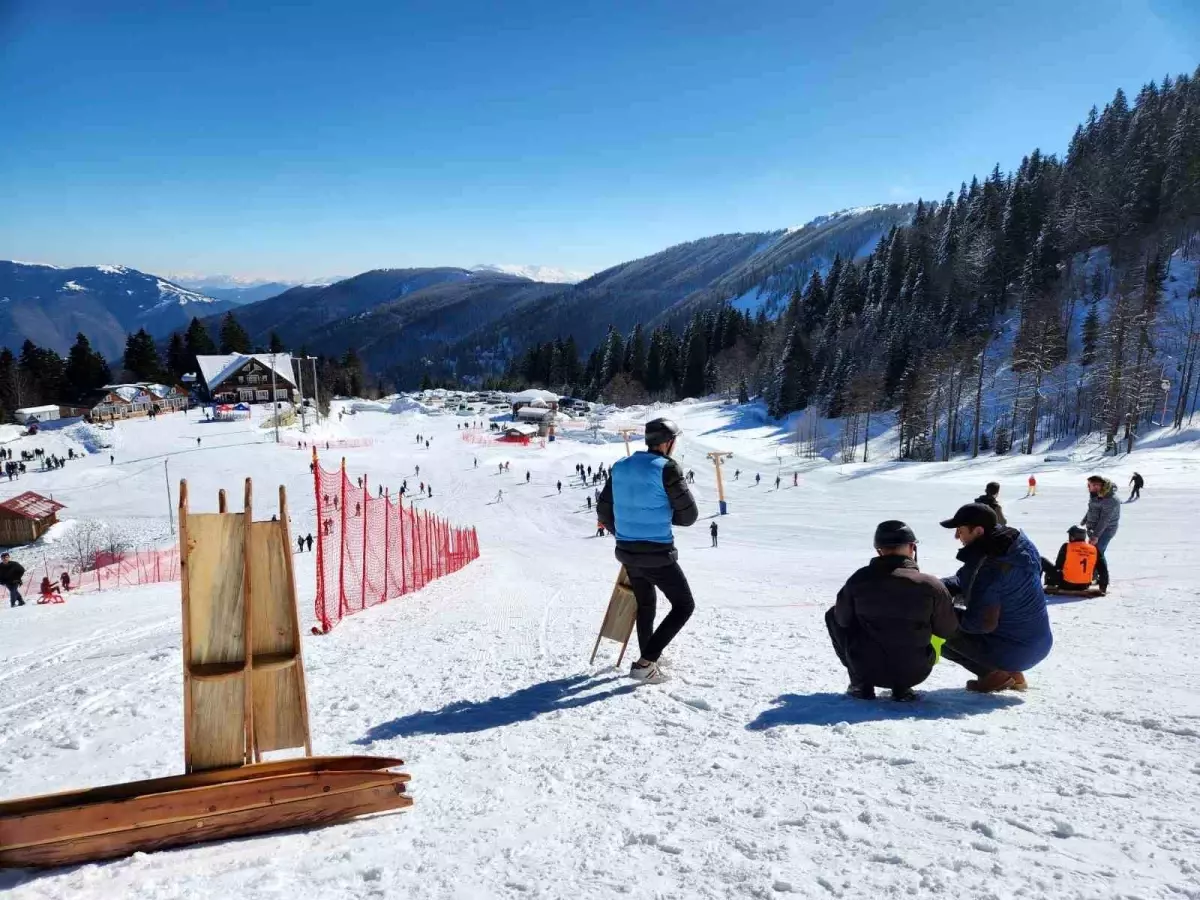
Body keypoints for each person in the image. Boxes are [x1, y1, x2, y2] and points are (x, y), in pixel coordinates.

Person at [597, 418, 698, 685]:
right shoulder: (667, 468)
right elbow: (688, 516)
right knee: (684, 605)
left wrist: (626, 531)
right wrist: (661, 517)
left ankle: (648, 657)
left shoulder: (620, 466)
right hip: (658, 552)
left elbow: (604, 512)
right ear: (668, 443)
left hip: (627, 551)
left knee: (646, 604)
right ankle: (645, 663)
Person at [827, 521, 959, 701]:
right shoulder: (931, 585)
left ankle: (860, 684)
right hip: (915, 672)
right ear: (912, 548)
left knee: (833, 615)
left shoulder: (858, 580)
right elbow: (947, 630)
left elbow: (842, 620)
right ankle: (902, 688)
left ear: (879, 551)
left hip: (866, 669)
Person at [938, 503, 1053, 692]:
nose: (957, 536)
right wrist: (935, 586)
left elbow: (980, 624)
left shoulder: (991, 566)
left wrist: (938, 610)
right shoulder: (1012, 547)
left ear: (978, 531)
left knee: (935, 625)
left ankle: (993, 674)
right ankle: (1013, 674)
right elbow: (965, 580)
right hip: (1037, 643)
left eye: (960, 530)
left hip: (1015, 650)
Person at [1041, 526, 1108, 594]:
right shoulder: (1094, 549)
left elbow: (1059, 565)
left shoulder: (1066, 546)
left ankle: (1038, 585)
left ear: (1072, 537)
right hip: (1084, 585)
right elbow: (1103, 570)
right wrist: (1103, 588)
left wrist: (1051, 579)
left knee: (1041, 560)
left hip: (1066, 584)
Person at [1082, 475, 1121, 557]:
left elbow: (1104, 520)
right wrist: (1084, 521)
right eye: (1088, 485)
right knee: (1092, 553)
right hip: (1094, 529)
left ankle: (1101, 566)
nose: (1088, 487)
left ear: (1099, 486)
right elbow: (1092, 509)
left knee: (1098, 553)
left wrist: (1095, 536)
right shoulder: (1096, 494)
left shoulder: (1110, 500)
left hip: (1105, 530)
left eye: (1091, 485)